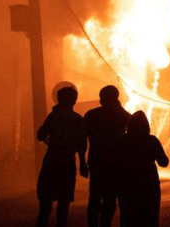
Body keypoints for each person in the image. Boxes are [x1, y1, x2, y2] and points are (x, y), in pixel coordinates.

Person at [36, 86, 88, 227]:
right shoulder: (78, 119)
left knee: (45, 207)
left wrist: (49, 140)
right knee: (63, 207)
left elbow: (40, 135)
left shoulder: (53, 117)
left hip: (52, 162)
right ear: (73, 101)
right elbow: (81, 145)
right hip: (67, 164)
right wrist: (82, 164)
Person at [84, 85, 131, 227]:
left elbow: (81, 139)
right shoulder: (125, 116)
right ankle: (105, 224)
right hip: (115, 164)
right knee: (110, 199)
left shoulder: (92, 115)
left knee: (95, 198)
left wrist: (81, 160)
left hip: (97, 162)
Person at [114, 110, 169, 227]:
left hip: (127, 185)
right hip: (149, 185)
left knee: (127, 217)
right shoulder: (152, 140)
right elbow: (164, 162)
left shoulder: (120, 140)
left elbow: (113, 161)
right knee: (150, 217)